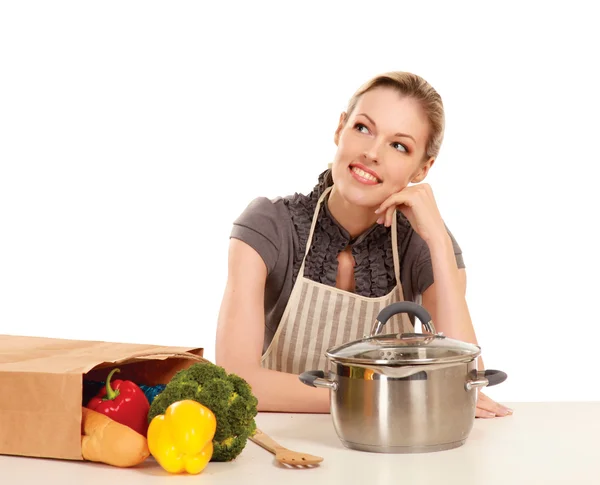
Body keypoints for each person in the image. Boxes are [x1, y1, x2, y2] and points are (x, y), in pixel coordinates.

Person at [215, 71, 512, 419]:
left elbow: (464, 384)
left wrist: (439, 242)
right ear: (340, 128)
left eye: (399, 145)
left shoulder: (420, 245)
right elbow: (238, 381)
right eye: (363, 128)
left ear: (423, 169)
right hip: (281, 452)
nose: (372, 152)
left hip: (388, 454)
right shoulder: (269, 226)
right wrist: (387, 397)